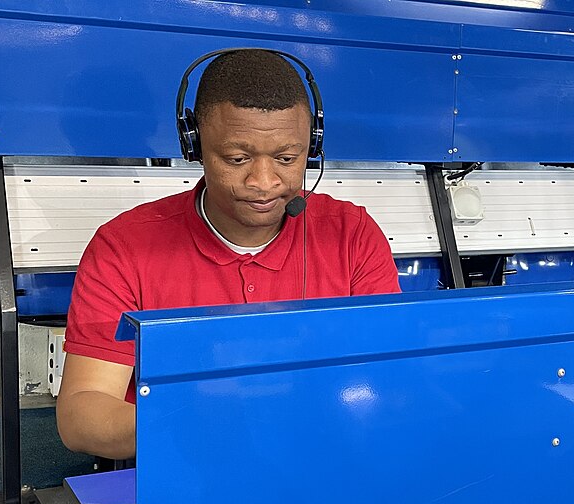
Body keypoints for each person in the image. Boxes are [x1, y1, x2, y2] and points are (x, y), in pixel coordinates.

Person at [56, 49, 400, 459]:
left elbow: (386, 375)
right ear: (195, 146)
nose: (264, 182)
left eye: (287, 159)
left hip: (325, 458)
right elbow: (82, 414)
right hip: (184, 462)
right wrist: (205, 419)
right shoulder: (124, 247)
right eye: (237, 159)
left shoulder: (352, 235)